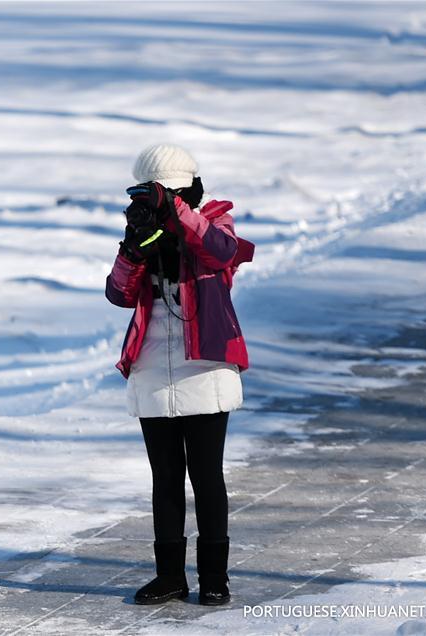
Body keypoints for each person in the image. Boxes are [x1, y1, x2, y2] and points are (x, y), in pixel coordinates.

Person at [106, 144, 253, 605]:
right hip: (152, 366)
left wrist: (178, 214)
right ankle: (170, 576)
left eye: (165, 194)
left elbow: (221, 252)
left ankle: (215, 577)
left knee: (206, 475)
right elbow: (118, 293)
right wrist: (134, 248)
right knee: (164, 477)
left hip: (203, 369)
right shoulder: (144, 229)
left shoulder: (215, 220)